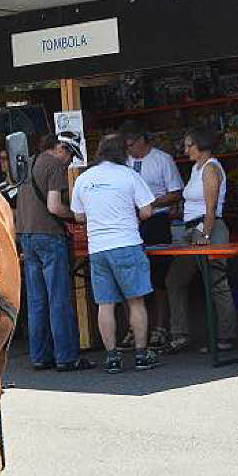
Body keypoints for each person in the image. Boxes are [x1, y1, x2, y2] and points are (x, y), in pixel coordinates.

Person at [70, 134, 158, 373]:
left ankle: (112, 357)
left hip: (98, 248)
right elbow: (147, 211)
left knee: (105, 304)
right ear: (123, 153)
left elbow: (78, 216)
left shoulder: (84, 179)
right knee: (136, 301)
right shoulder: (129, 175)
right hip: (127, 243)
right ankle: (141, 354)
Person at [15, 132, 92, 371]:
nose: (69, 161)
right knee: (59, 298)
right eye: (69, 155)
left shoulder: (28, 162)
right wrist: (77, 216)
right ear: (61, 148)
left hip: (26, 235)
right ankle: (66, 357)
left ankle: (40, 356)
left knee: (37, 299)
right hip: (49, 235)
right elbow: (54, 206)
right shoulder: (55, 166)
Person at [164, 128, 237, 353]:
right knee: (175, 280)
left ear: (202, 145)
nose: (185, 150)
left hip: (207, 229)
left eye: (189, 145)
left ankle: (225, 336)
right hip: (190, 229)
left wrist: (205, 234)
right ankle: (181, 333)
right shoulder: (197, 169)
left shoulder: (211, 168)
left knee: (216, 284)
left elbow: (211, 207)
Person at [121, 120, 184, 349]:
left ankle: (160, 327)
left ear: (142, 139)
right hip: (131, 222)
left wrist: (151, 202)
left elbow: (176, 193)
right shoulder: (124, 162)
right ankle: (134, 329)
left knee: (158, 277)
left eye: (131, 144)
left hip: (156, 220)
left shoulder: (162, 159)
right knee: (132, 277)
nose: (129, 149)